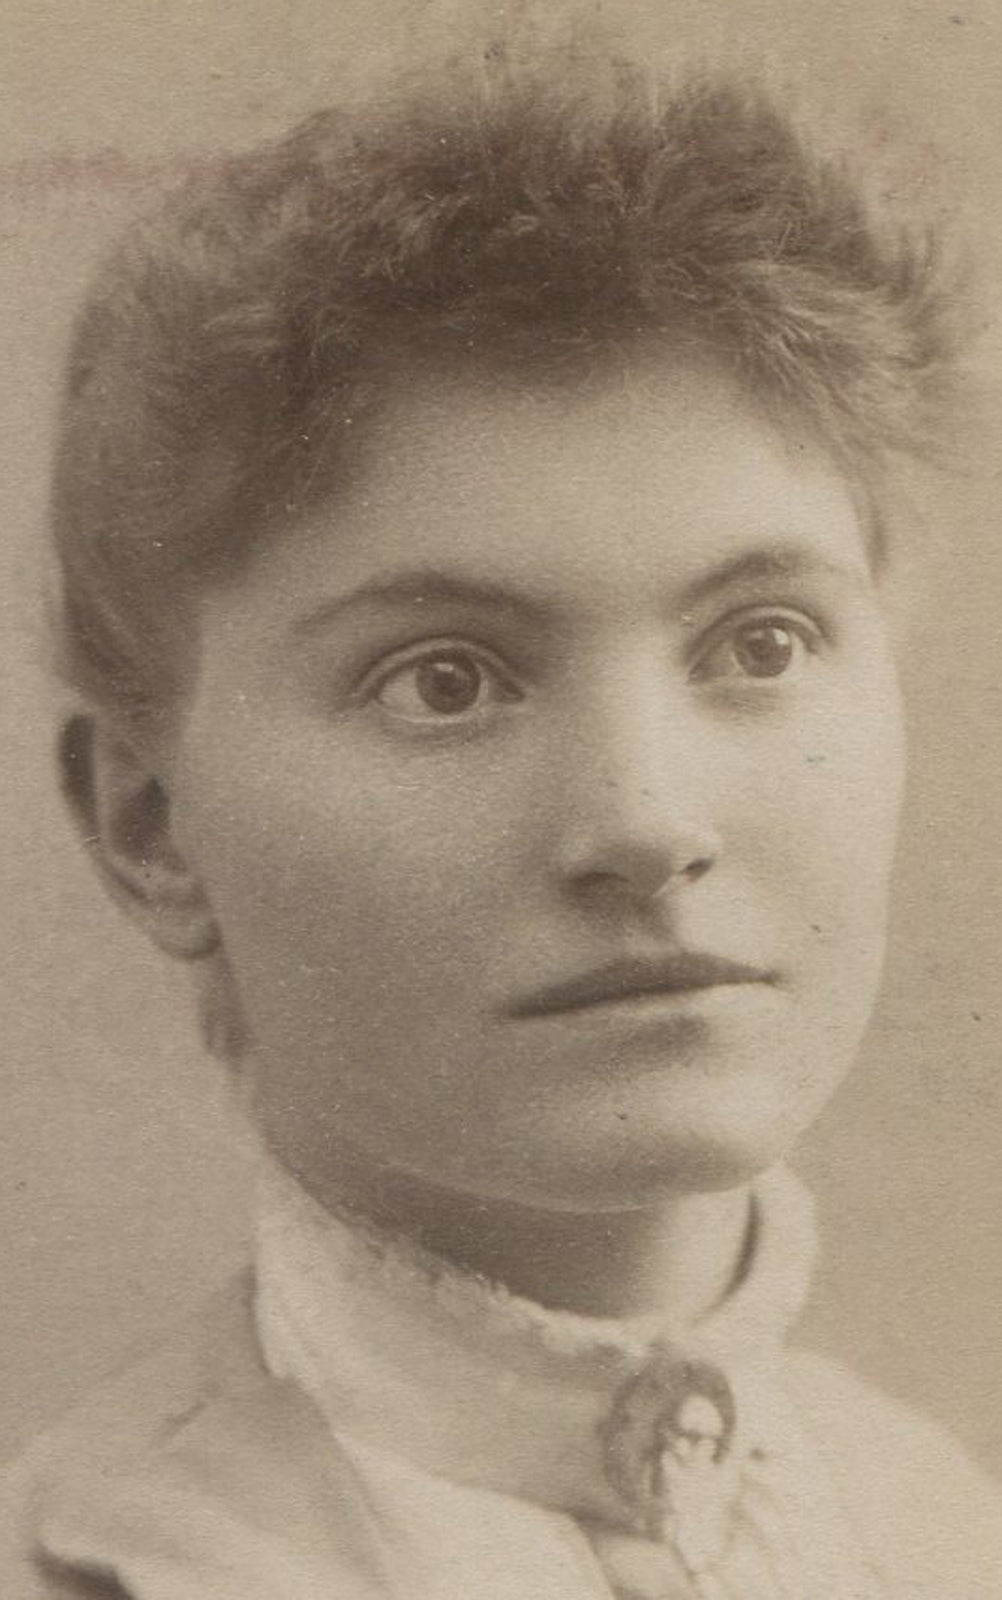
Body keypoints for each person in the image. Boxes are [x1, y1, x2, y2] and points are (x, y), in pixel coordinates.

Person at [2, 26, 1000, 1599]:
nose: (644, 821)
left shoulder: (943, 1528)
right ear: (148, 824)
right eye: (443, 681)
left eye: (760, 643)